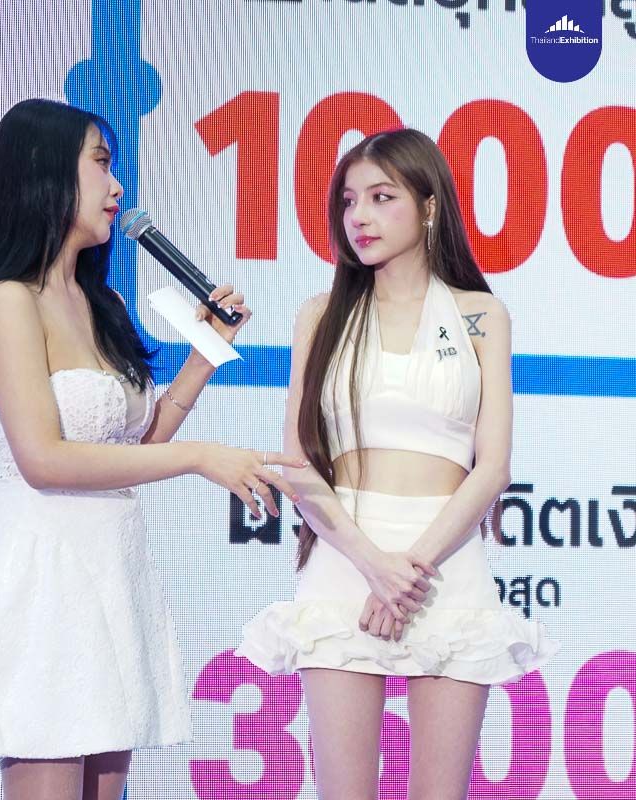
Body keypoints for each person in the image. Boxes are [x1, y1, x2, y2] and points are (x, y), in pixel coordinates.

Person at [0, 98, 306, 800]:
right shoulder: (4, 302)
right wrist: (200, 457)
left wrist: (203, 355)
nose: (117, 187)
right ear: (45, 173)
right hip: (47, 581)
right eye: (100, 164)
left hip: (114, 573)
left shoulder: (102, 303)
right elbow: (45, 459)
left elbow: (134, 448)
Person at [236, 128, 558, 800]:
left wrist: (408, 571)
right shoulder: (320, 315)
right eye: (349, 200)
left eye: (382, 198)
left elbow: (492, 467)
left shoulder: (480, 316)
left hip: (444, 565)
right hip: (344, 561)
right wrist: (375, 566)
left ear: (428, 204)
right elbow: (299, 463)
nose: (360, 216)